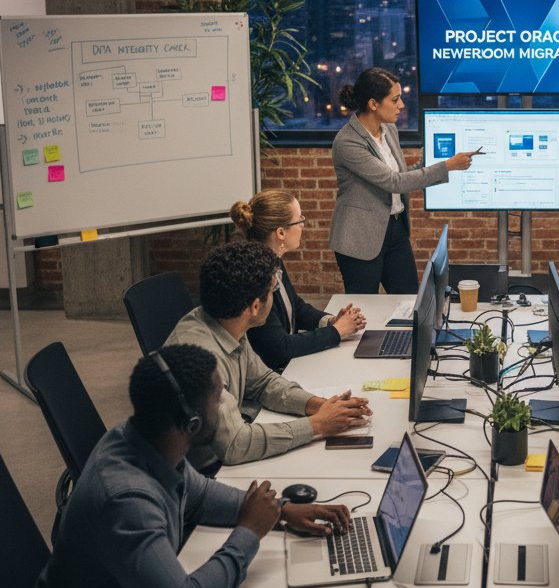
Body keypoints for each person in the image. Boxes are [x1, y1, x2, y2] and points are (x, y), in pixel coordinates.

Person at [24, 344, 352, 588]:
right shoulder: (126, 501)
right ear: (192, 423)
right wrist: (249, 532)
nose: (226, 405)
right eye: (218, 399)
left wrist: (281, 510)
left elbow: (198, 495)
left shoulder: (146, 439)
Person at [165, 241, 372, 471]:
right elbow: (236, 445)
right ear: (255, 306)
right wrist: (317, 425)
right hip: (204, 474)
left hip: (227, 451)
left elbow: (263, 383)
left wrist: (319, 405)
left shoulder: (227, 322)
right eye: (273, 291)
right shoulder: (201, 362)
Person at [329, 67, 480, 294]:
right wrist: (447, 167)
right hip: (360, 237)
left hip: (396, 228)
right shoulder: (348, 142)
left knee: (409, 299)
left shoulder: (389, 129)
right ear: (373, 104)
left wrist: (432, 164)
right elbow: (394, 182)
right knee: (364, 308)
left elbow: (400, 174)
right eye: (395, 100)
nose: (402, 106)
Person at [230, 190, 366, 372]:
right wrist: (336, 332)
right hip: (270, 375)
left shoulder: (273, 259)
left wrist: (331, 321)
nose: (303, 224)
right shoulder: (254, 276)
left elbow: (296, 307)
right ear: (280, 233)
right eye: (299, 219)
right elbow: (280, 348)